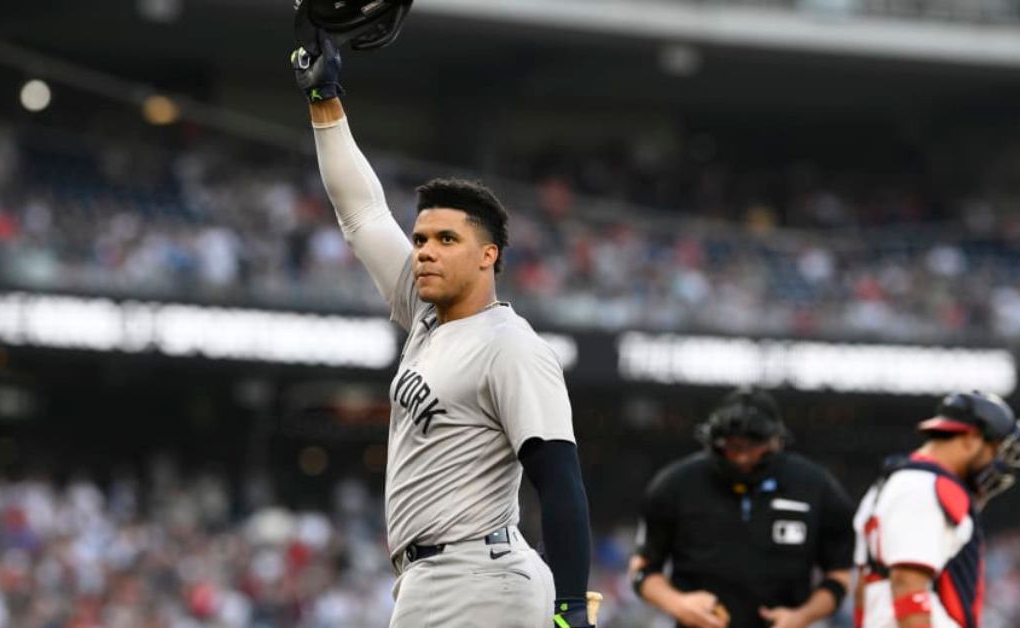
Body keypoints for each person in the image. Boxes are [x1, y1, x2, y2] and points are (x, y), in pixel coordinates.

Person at [290, 31, 594, 628]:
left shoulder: (511, 347)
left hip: (479, 578)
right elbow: (362, 213)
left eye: (446, 240)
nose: (425, 251)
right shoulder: (425, 314)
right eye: (422, 238)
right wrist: (325, 96)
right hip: (436, 580)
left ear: (489, 257)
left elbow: (559, 481)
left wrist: (571, 609)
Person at [630, 387, 855, 628]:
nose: (742, 458)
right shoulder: (674, 485)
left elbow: (839, 575)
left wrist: (802, 616)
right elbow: (641, 568)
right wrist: (679, 603)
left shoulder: (816, 487)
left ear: (776, 441)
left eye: (752, 447)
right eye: (734, 447)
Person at [852, 391, 1020, 628]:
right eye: (994, 450)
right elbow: (908, 584)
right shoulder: (924, 487)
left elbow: (862, 590)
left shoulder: (896, 481)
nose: (995, 462)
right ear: (971, 439)